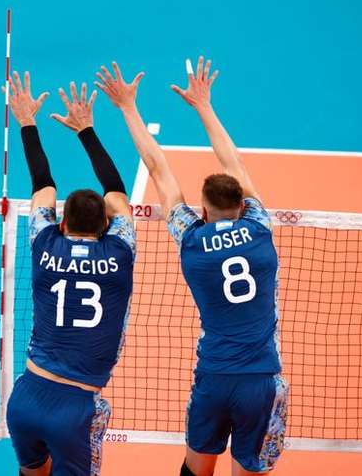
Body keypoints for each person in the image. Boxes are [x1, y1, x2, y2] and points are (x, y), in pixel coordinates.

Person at [98, 58, 288, 476]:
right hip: (261, 378)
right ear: (242, 204)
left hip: (214, 376)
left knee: (196, 467)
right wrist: (204, 105)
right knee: (252, 469)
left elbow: (158, 169)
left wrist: (128, 107)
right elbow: (233, 162)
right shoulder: (259, 227)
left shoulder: (191, 238)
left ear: (203, 210)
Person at [4, 71, 136, 475]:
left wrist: (27, 121)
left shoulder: (44, 243)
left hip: (25, 397)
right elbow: (116, 193)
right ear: (106, 227)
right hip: (76, 409)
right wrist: (87, 131)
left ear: (61, 223)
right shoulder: (119, 251)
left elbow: (43, 185)